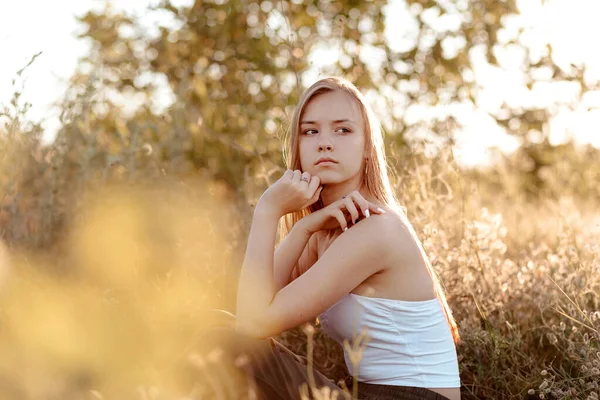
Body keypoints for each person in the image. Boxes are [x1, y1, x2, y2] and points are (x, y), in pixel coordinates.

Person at [201, 76, 461, 400]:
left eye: (343, 129)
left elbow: (254, 325)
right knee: (214, 328)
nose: (325, 142)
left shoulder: (375, 229)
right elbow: (249, 311)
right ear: (298, 146)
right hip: (365, 393)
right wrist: (302, 228)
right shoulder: (326, 228)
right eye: (311, 131)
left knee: (224, 343)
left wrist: (267, 210)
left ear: (367, 148)